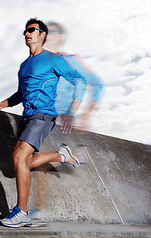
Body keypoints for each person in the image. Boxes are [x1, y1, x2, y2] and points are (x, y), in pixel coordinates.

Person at [0, 18, 87, 228]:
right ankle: (61, 155)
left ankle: (21, 212)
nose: (27, 33)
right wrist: (2, 104)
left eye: (32, 30)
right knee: (17, 165)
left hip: (44, 115)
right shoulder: (23, 66)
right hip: (28, 117)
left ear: (43, 35)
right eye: (25, 31)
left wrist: (72, 110)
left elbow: (80, 80)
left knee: (19, 156)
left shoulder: (53, 59)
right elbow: (22, 93)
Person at [30, 21, 105, 220]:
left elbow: (97, 84)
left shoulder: (71, 60)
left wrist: (84, 112)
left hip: (60, 121)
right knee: (31, 160)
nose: (48, 37)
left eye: (53, 33)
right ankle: (64, 157)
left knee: (34, 161)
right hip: (41, 116)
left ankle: (39, 210)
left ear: (61, 38)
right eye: (46, 33)